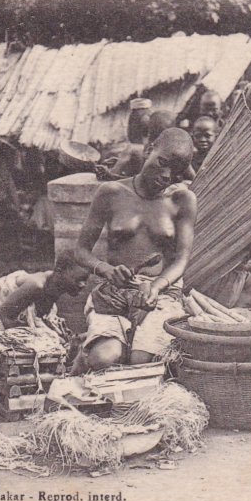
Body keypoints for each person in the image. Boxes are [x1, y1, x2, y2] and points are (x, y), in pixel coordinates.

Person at [72, 128, 197, 372]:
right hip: (115, 293)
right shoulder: (111, 193)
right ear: (149, 149)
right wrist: (107, 270)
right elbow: (81, 251)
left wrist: (156, 286)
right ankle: (85, 352)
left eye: (176, 172)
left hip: (160, 292)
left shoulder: (182, 200)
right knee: (104, 359)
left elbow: (181, 259)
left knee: (141, 362)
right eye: (163, 163)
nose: (166, 175)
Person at [0, 250, 89, 330]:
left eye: (86, 280)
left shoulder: (53, 291)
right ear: (60, 271)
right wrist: (38, 334)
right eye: (78, 279)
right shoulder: (36, 285)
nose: (83, 285)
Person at [108, 110, 177, 178]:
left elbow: (142, 181)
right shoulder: (176, 151)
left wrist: (110, 174)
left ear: (150, 131)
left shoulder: (143, 151)